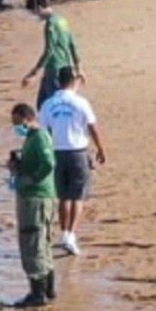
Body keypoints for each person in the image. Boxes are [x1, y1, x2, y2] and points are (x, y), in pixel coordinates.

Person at [38, 66, 106, 257]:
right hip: (77, 152)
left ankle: (64, 233)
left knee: (63, 197)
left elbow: (44, 131)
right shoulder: (80, 102)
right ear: (74, 81)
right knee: (77, 196)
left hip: (57, 152)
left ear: (58, 81)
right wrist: (101, 148)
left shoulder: (48, 104)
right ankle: (70, 234)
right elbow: (92, 127)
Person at [8, 102, 56, 308]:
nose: (16, 127)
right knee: (42, 241)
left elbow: (48, 163)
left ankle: (38, 293)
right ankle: (47, 288)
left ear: (27, 118)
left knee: (33, 241)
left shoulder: (39, 137)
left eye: (18, 122)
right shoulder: (32, 138)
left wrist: (32, 178)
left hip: (35, 198)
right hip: (35, 195)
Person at [20, 0, 82, 111]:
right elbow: (72, 43)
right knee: (42, 104)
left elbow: (49, 50)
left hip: (53, 68)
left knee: (52, 105)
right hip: (65, 65)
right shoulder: (62, 20)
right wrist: (79, 67)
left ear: (38, 8)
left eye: (33, 12)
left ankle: (53, 128)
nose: (35, 16)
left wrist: (34, 72)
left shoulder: (50, 25)